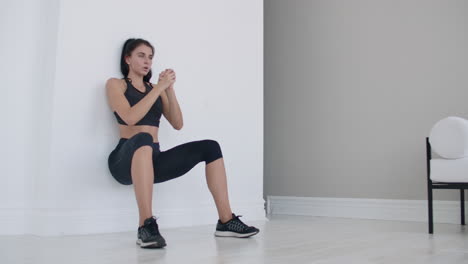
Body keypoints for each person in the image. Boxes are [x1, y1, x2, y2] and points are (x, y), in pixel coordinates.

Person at [106, 38, 259, 249]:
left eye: (150, 57)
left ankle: (226, 221)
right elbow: (130, 117)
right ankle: (145, 226)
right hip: (124, 161)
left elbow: (177, 123)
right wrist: (159, 88)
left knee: (210, 146)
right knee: (144, 138)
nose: (147, 61)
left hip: (153, 161)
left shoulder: (155, 89)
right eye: (141, 55)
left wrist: (168, 89)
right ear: (127, 59)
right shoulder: (116, 84)